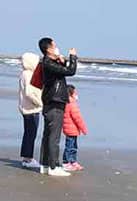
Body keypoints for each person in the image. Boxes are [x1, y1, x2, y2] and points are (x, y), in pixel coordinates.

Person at [37, 37, 77, 177]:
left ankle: (45, 165)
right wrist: (73, 57)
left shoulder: (49, 62)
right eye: (54, 46)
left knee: (48, 134)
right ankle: (54, 166)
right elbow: (70, 71)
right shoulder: (48, 63)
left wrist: (62, 60)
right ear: (48, 49)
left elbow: (63, 69)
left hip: (52, 100)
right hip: (54, 101)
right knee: (53, 136)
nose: (57, 48)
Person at [18, 52, 43, 169]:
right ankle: (28, 159)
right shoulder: (28, 74)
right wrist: (39, 103)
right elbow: (29, 93)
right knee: (30, 134)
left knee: (28, 133)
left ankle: (26, 157)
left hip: (27, 108)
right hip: (31, 109)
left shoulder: (25, 73)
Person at [62, 85, 88, 171]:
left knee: (73, 146)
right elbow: (77, 118)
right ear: (71, 93)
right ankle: (66, 162)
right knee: (70, 147)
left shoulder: (66, 102)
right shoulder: (71, 104)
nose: (77, 94)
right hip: (71, 129)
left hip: (70, 129)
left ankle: (73, 161)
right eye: (75, 92)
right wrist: (83, 128)